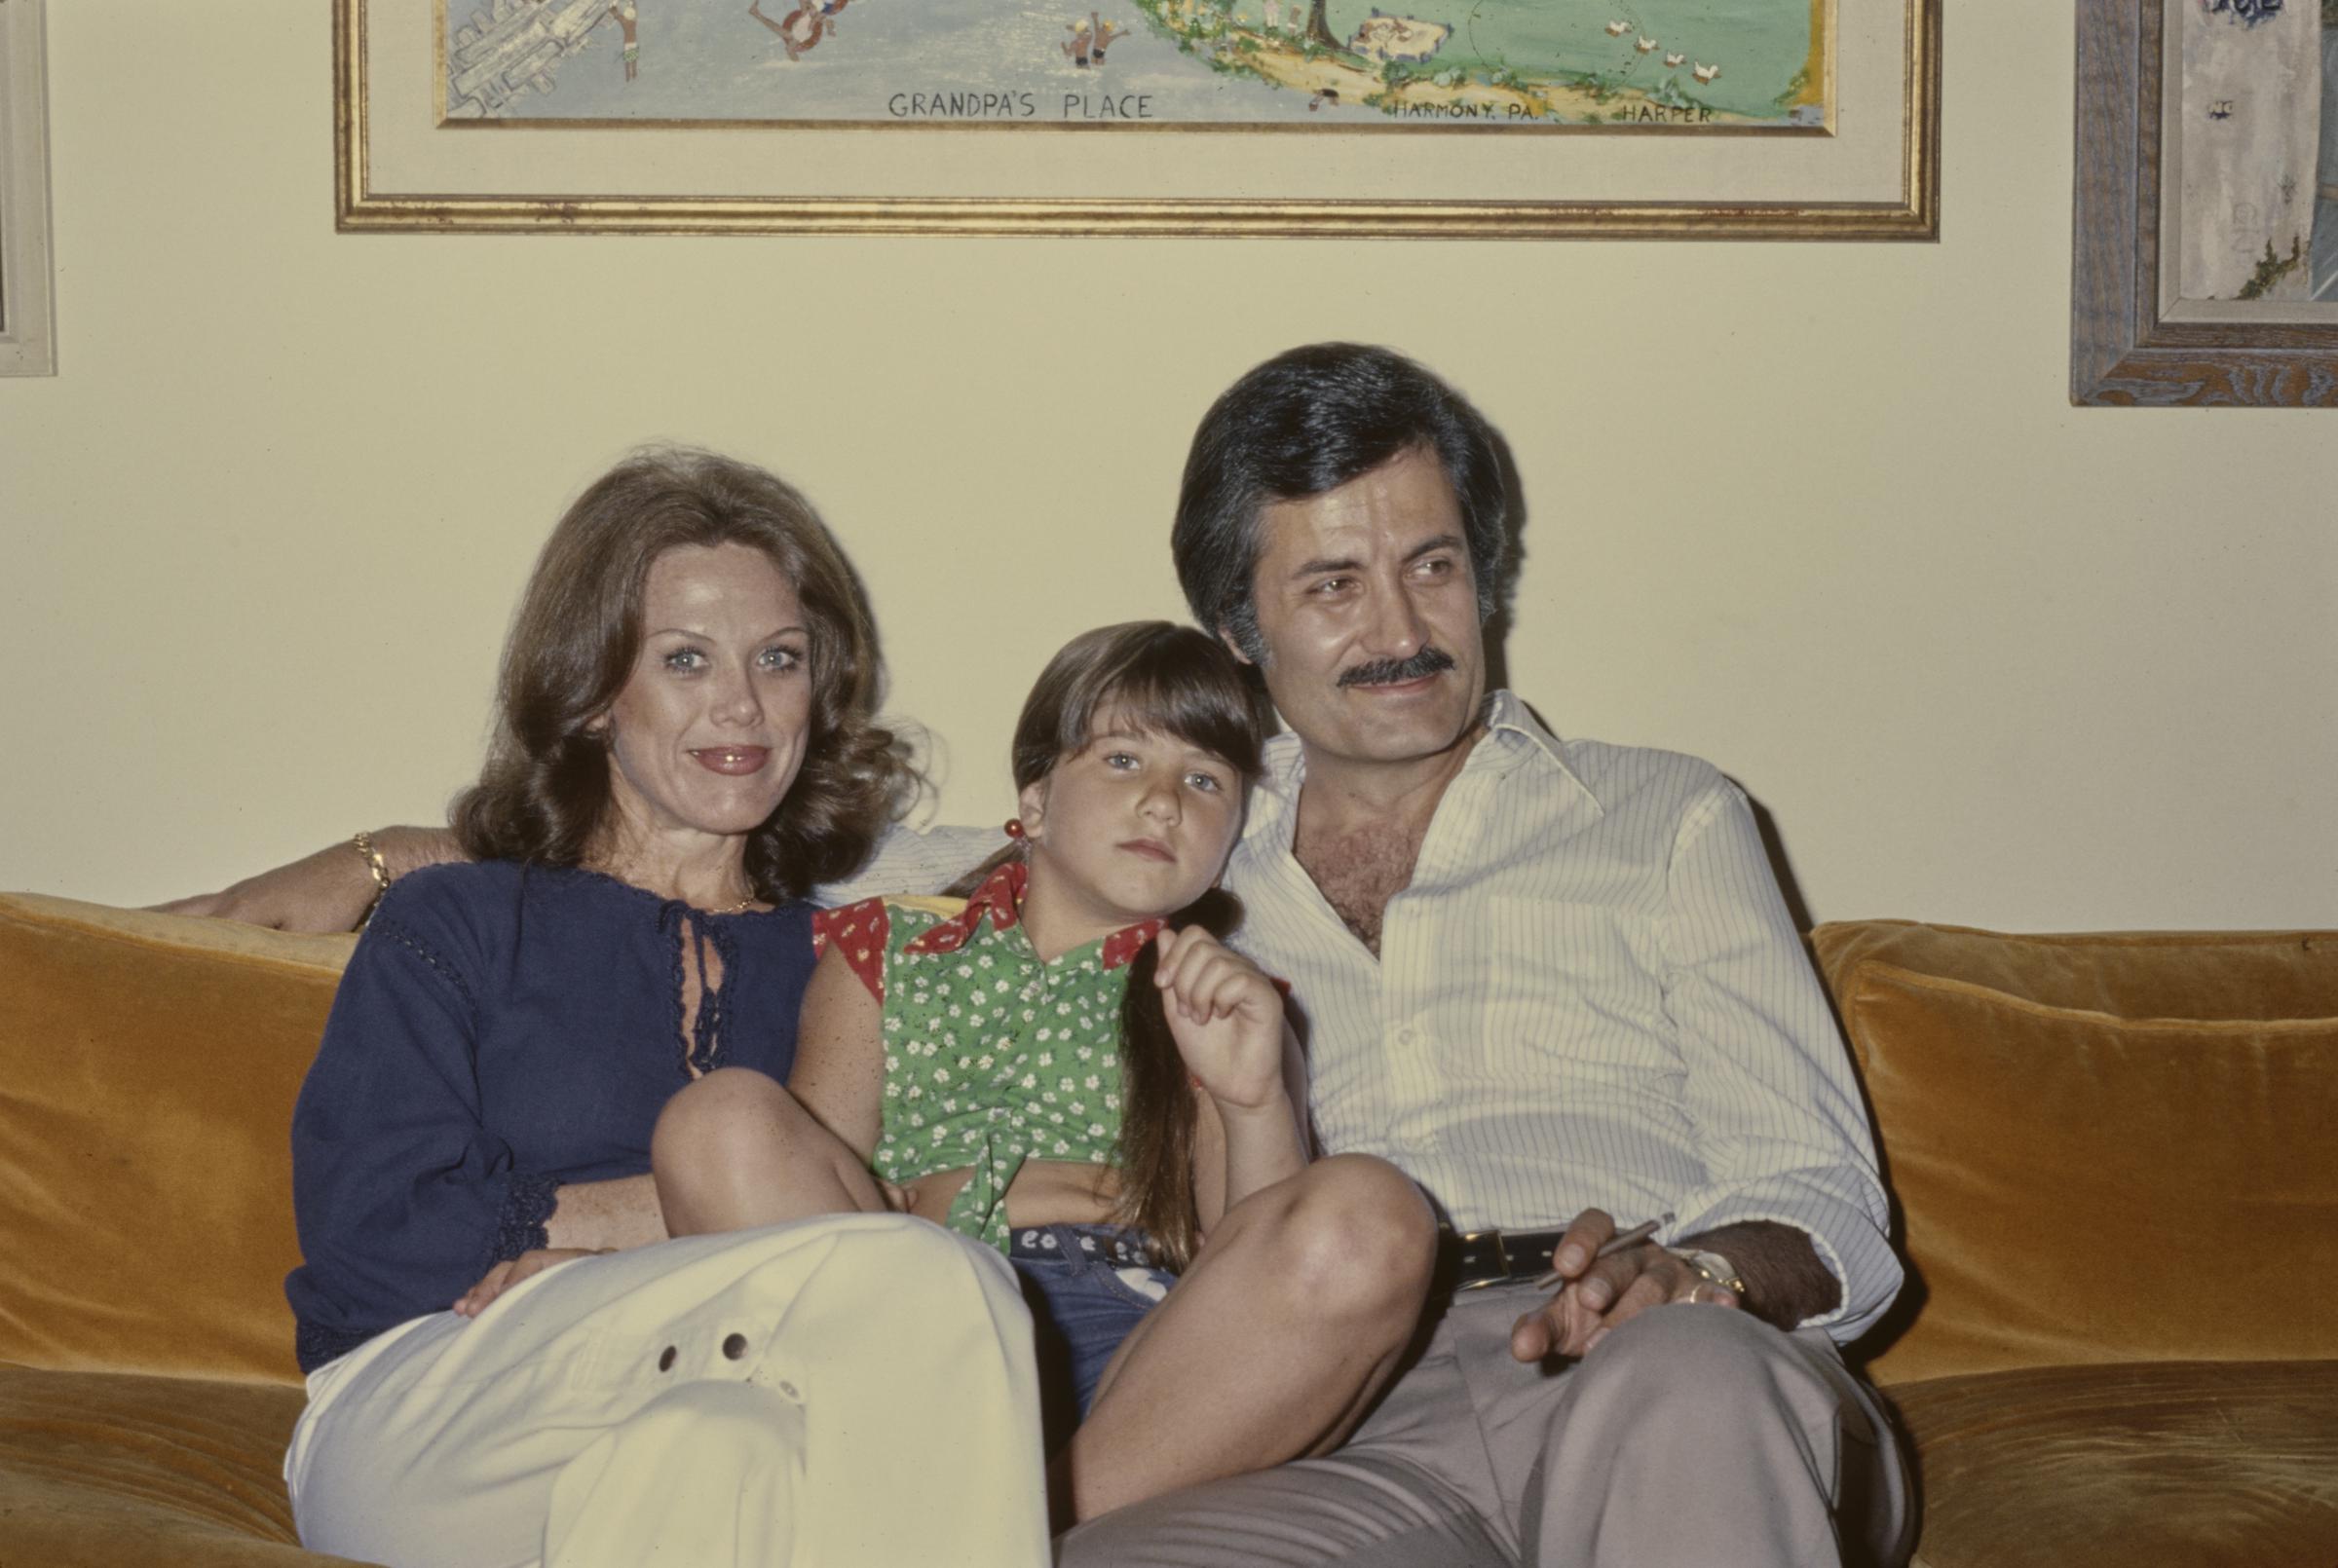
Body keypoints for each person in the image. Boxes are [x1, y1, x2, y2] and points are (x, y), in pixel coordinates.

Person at [1056, 343, 1913, 1566]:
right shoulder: (1180, 854)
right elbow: (938, 885)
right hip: (1352, 1421)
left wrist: (1697, 1271)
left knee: (1694, 1384)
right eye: (1335, 586)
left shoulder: (1666, 816)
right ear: (1240, 628)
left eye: (1433, 566)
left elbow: (1823, 1192)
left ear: (1485, 577)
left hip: (1668, 1365)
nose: (1400, 628)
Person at [281, 448, 1051, 1568]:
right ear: (595, 690)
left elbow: (916, 1189)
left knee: (714, 1443)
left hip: (710, 1392)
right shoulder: (456, 920)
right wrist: (658, 1222)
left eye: (779, 660)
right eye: (685, 659)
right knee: (944, 1283)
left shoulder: (838, 963)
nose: (740, 704)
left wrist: (593, 1241)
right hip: (434, 1406)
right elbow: (377, 1237)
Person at [649, 621, 1435, 1527]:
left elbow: (1250, 1252)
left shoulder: (1221, 1000)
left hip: (1133, 1349)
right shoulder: (889, 946)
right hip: (912, 1330)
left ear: (1231, 835)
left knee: (1372, 1213)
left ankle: (1022, 1524)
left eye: (1205, 781)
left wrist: (1251, 1093)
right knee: (719, 1118)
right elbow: (809, 1192)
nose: (1165, 803)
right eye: (1124, 761)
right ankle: (952, 1496)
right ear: (1036, 793)